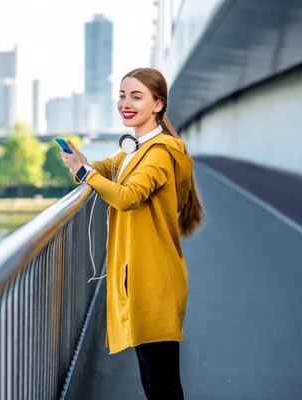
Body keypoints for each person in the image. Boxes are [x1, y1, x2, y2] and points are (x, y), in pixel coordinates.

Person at [60, 67, 205, 399]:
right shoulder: (134, 149)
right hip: (141, 278)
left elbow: (127, 197)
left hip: (154, 282)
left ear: (157, 104)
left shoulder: (158, 154)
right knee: (154, 382)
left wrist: (84, 173)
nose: (126, 103)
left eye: (136, 96)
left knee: (162, 385)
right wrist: (83, 164)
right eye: (122, 95)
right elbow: (108, 168)